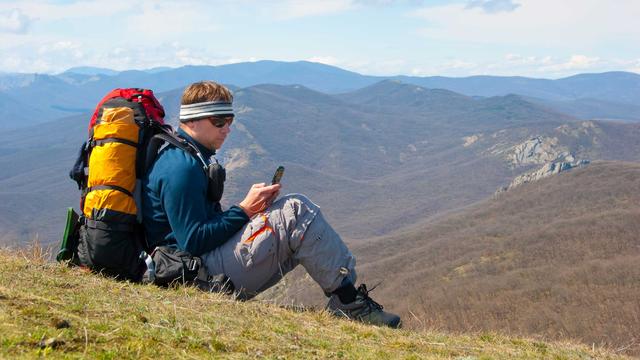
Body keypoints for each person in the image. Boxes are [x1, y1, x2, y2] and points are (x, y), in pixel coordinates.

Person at [142, 81, 401, 328]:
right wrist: (243, 210)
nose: (226, 129)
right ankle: (349, 304)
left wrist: (252, 211)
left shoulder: (186, 156)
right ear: (193, 119)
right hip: (193, 277)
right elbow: (193, 240)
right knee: (296, 211)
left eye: (229, 121)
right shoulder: (181, 168)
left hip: (193, 270)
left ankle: (348, 300)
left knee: (292, 225)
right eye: (219, 121)